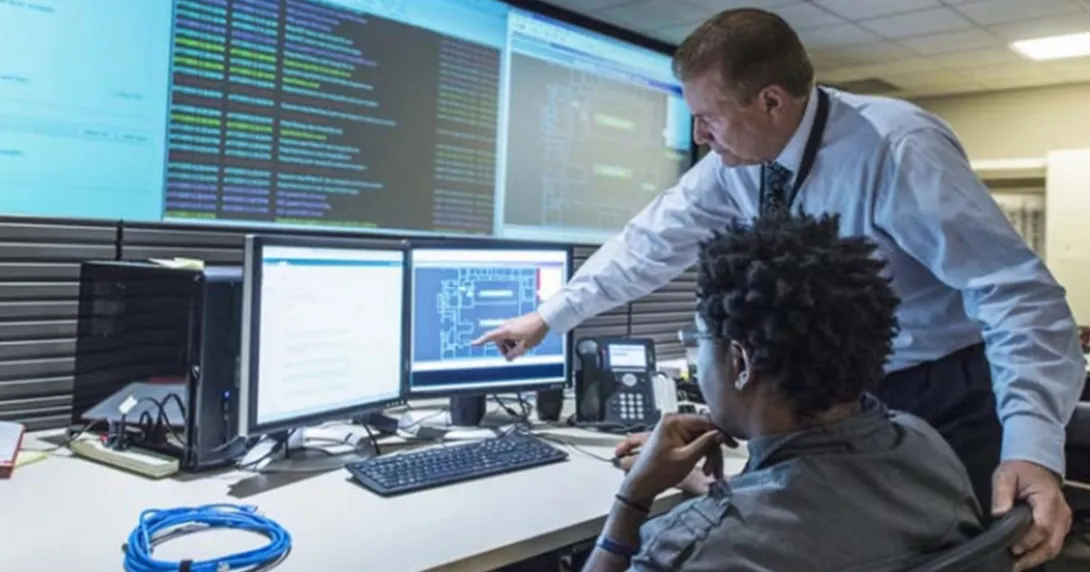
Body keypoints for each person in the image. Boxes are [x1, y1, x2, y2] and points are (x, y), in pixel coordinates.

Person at [475, 8, 1085, 570]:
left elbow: (1016, 295)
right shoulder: (738, 164)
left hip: (943, 392)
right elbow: (652, 241)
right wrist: (550, 316)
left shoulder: (898, 149)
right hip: (848, 401)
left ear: (770, 101)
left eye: (709, 117)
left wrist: (1033, 446)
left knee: (937, 552)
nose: (698, 136)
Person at [581, 210, 984, 572]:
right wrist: (717, 489)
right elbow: (824, 505)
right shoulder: (926, 447)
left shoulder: (697, 550)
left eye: (698, 340)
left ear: (739, 363)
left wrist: (633, 499)